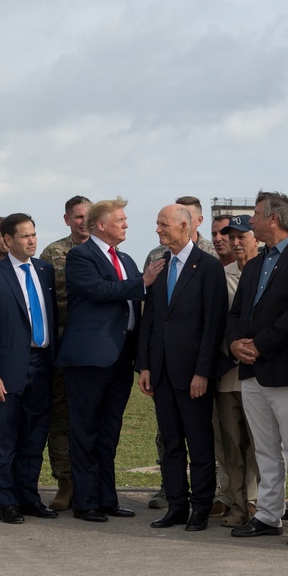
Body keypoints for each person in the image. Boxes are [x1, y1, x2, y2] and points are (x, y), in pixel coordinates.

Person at [226, 191, 288, 547]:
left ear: (273, 219)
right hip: (252, 371)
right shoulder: (254, 264)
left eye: (255, 215)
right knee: (265, 448)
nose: (250, 221)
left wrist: (260, 344)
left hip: (286, 371)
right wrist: (235, 343)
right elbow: (236, 313)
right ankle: (268, 515)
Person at [57, 197, 165, 522]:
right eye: (120, 219)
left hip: (119, 358)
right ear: (101, 225)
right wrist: (142, 282)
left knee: (109, 432)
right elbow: (99, 290)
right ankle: (86, 502)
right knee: (86, 431)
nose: (126, 224)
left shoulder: (128, 260)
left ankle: (107, 498)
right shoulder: (80, 256)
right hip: (90, 359)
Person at [137, 204, 227, 531]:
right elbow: (151, 319)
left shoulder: (208, 267)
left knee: (199, 444)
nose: (158, 230)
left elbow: (213, 325)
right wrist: (145, 365)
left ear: (184, 227)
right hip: (161, 372)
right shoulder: (158, 265)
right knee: (170, 444)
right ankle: (176, 506)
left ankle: (201, 508)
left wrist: (202, 372)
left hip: (193, 375)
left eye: (163, 224)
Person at [0, 213, 59, 524]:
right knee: (2, 440)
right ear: (7, 241)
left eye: (34, 234)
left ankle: (29, 497)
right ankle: (6, 501)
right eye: (24, 236)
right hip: (6, 372)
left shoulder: (45, 271)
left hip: (41, 366)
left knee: (34, 438)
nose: (32, 240)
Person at [39, 195, 93, 511]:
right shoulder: (52, 254)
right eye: (76, 217)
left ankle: (93, 485)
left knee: (91, 421)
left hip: (92, 353)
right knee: (60, 421)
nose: (82, 222)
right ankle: (65, 484)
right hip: (61, 351)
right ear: (67, 220)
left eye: (87, 216)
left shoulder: (104, 251)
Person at [212, 215, 260, 528]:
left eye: (243, 236)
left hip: (260, 372)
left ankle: (257, 503)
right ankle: (238, 504)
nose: (236, 242)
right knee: (231, 442)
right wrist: (230, 346)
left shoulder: (270, 272)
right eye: (233, 237)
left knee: (261, 444)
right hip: (228, 374)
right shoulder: (220, 275)